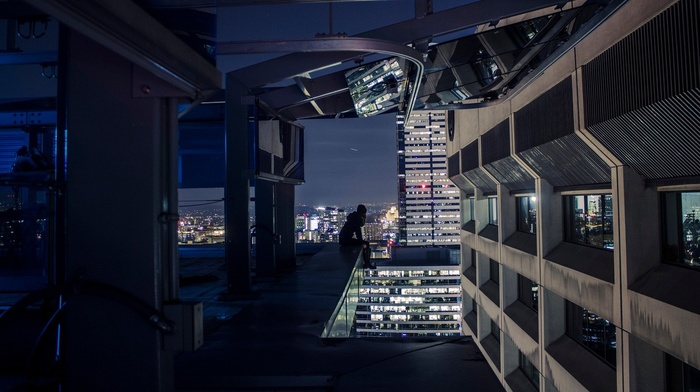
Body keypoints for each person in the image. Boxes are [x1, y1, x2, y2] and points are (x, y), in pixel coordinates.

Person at [339, 204, 375, 269]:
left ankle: (367, 263)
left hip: (343, 239)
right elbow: (359, 234)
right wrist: (362, 242)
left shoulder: (354, 217)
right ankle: (367, 263)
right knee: (366, 244)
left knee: (364, 244)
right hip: (345, 240)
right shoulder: (357, 219)